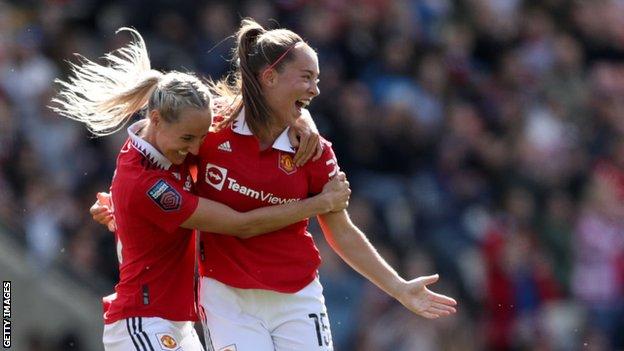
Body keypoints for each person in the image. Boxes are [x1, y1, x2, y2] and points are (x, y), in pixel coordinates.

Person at [52, 28, 351, 351]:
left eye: (200, 137)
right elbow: (241, 223)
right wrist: (319, 203)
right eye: (188, 139)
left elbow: (247, 108)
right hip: (142, 319)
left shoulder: (167, 144)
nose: (196, 148)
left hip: (177, 323)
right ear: (156, 119)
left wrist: (301, 117)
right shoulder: (147, 182)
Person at [192, 19, 458, 351]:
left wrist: (399, 287)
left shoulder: (313, 149)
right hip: (226, 297)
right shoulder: (209, 130)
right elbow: (161, 136)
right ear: (269, 77)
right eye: (306, 78)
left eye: (316, 80)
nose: (315, 90)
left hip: (297, 297)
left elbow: (341, 230)